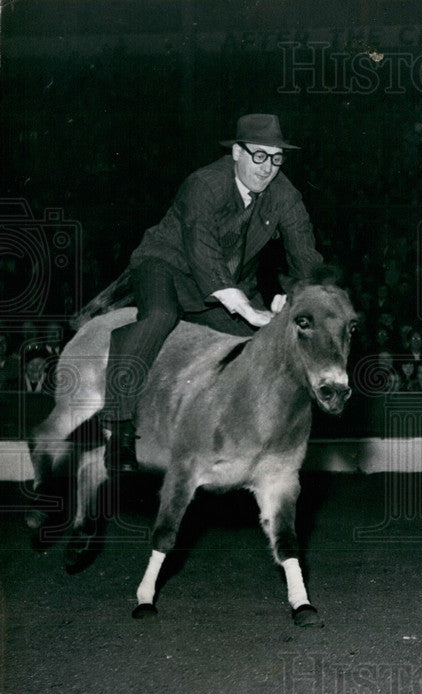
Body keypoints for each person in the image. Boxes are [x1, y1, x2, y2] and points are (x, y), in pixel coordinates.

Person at [90, 114, 324, 472]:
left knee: (259, 344)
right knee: (160, 317)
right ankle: (118, 431)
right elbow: (202, 253)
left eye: (276, 158)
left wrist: (301, 299)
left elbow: (305, 255)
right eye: (259, 156)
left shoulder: (285, 195)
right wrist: (247, 308)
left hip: (228, 284)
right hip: (166, 267)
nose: (268, 168)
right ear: (236, 153)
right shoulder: (203, 184)